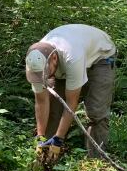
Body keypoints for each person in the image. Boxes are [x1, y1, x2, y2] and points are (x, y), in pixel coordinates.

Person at [25, 24, 116, 161]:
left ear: (54, 59)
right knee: (54, 110)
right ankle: (47, 159)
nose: (41, 77)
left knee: (96, 112)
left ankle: (96, 162)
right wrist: (40, 137)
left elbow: (71, 103)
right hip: (66, 63)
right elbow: (41, 101)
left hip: (100, 58)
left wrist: (59, 139)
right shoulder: (34, 60)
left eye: (44, 73)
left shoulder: (72, 57)